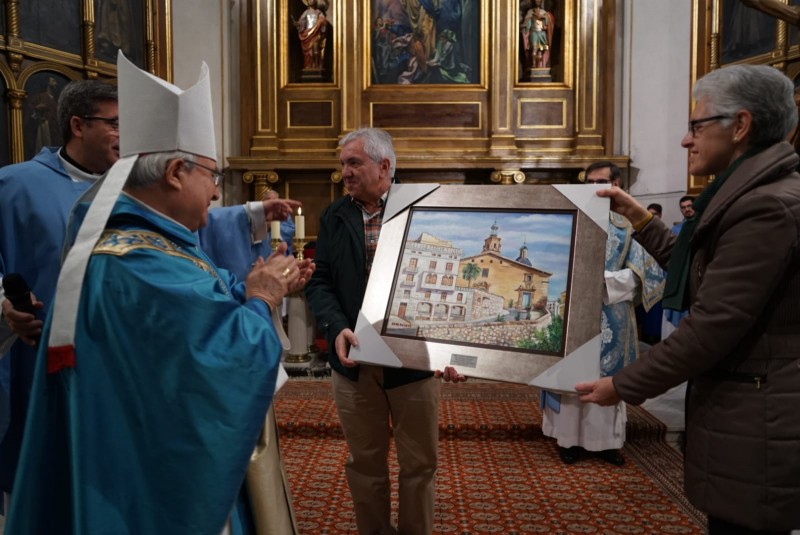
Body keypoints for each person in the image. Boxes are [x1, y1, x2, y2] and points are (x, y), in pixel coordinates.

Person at [5, 52, 315, 534]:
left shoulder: (152, 243)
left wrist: (255, 287)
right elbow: (224, 363)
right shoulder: (138, 263)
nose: (216, 193)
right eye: (211, 176)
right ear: (174, 173)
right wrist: (263, 300)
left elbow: (201, 299)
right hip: (149, 485)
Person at [577, 64, 800, 534]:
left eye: (697, 126)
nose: (685, 140)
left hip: (760, 412)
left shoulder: (766, 206)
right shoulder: (748, 194)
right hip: (747, 404)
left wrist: (622, 384)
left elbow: (713, 323)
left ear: (740, 126)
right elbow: (695, 266)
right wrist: (639, 217)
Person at [305, 127, 465, 535]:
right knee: (365, 464)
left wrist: (453, 350)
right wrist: (336, 327)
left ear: (384, 166)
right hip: (354, 361)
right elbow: (320, 281)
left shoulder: (427, 211)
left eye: (353, 163)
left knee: (419, 465)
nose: (345, 172)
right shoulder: (334, 215)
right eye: (342, 164)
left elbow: (451, 287)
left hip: (414, 363)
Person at [0, 80, 119, 499]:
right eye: (114, 123)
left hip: (114, 364)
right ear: (78, 125)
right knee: (41, 488)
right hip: (38, 362)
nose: (124, 135)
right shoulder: (13, 186)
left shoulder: (133, 191)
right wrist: (4, 305)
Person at [541, 161, 664, 466]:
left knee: (607, 377)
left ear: (616, 185)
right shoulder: (568, 218)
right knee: (570, 375)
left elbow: (647, 272)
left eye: (600, 182)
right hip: (571, 311)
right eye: (589, 182)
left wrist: (603, 281)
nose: (593, 188)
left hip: (611, 311)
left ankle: (606, 443)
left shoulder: (628, 226)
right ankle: (568, 440)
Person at [293, 0, 328, 71]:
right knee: (308, 52)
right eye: (309, 0)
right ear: (307, 2)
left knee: (316, 50)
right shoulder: (306, 12)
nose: (311, 1)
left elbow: (323, 21)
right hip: (307, 34)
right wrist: (298, 24)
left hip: (316, 34)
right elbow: (301, 22)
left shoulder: (318, 12)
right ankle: (308, 66)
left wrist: (321, 21)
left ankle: (316, 65)